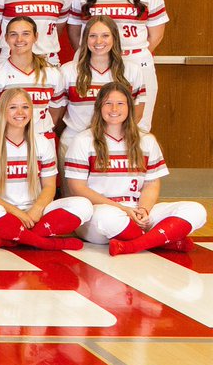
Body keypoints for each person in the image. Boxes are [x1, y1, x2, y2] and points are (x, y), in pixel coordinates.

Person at [67, 83, 206, 255]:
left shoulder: (146, 140)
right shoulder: (83, 140)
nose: (114, 109)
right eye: (108, 103)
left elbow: (152, 184)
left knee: (196, 210)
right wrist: (124, 210)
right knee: (109, 219)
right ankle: (161, 239)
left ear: (129, 107)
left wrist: (143, 210)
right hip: (100, 211)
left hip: (137, 209)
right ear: (98, 107)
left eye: (120, 103)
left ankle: (132, 245)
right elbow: (77, 188)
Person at [0, 88, 93, 250]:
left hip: (36, 215)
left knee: (83, 205)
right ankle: (43, 241)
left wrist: (37, 209)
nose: (20, 112)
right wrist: (16, 213)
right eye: (13, 107)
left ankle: (16, 238)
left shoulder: (42, 142)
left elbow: (49, 186)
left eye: (25, 107)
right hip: (3, 214)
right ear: (2, 111)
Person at [67, 0, 168, 130]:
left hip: (135, 60)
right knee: (93, 123)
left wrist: (129, 54)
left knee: (138, 126)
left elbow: (156, 35)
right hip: (96, 62)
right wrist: (95, 54)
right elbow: (75, 32)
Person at [59, 16, 145, 157]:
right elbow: (56, 116)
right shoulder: (68, 71)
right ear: (85, 39)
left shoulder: (131, 71)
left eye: (105, 35)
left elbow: (136, 113)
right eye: (93, 36)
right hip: (73, 143)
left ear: (115, 38)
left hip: (115, 144)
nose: (99, 41)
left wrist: (113, 138)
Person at [0, 16, 65, 138]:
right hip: (5, 143)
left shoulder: (52, 74)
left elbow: (55, 114)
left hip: (42, 143)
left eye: (26, 34)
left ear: (36, 37)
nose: (19, 39)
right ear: (6, 38)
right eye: (13, 34)